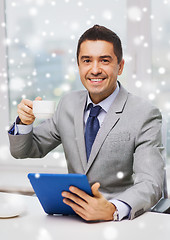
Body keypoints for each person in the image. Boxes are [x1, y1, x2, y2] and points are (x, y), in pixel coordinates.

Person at [8, 25, 164, 222]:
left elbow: (152, 183)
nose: (95, 69)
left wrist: (113, 209)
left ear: (120, 66)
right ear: (79, 65)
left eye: (105, 60)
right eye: (87, 61)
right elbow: (26, 150)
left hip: (118, 222)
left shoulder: (144, 113)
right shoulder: (68, 104)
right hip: (72, 219)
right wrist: (24, 123)